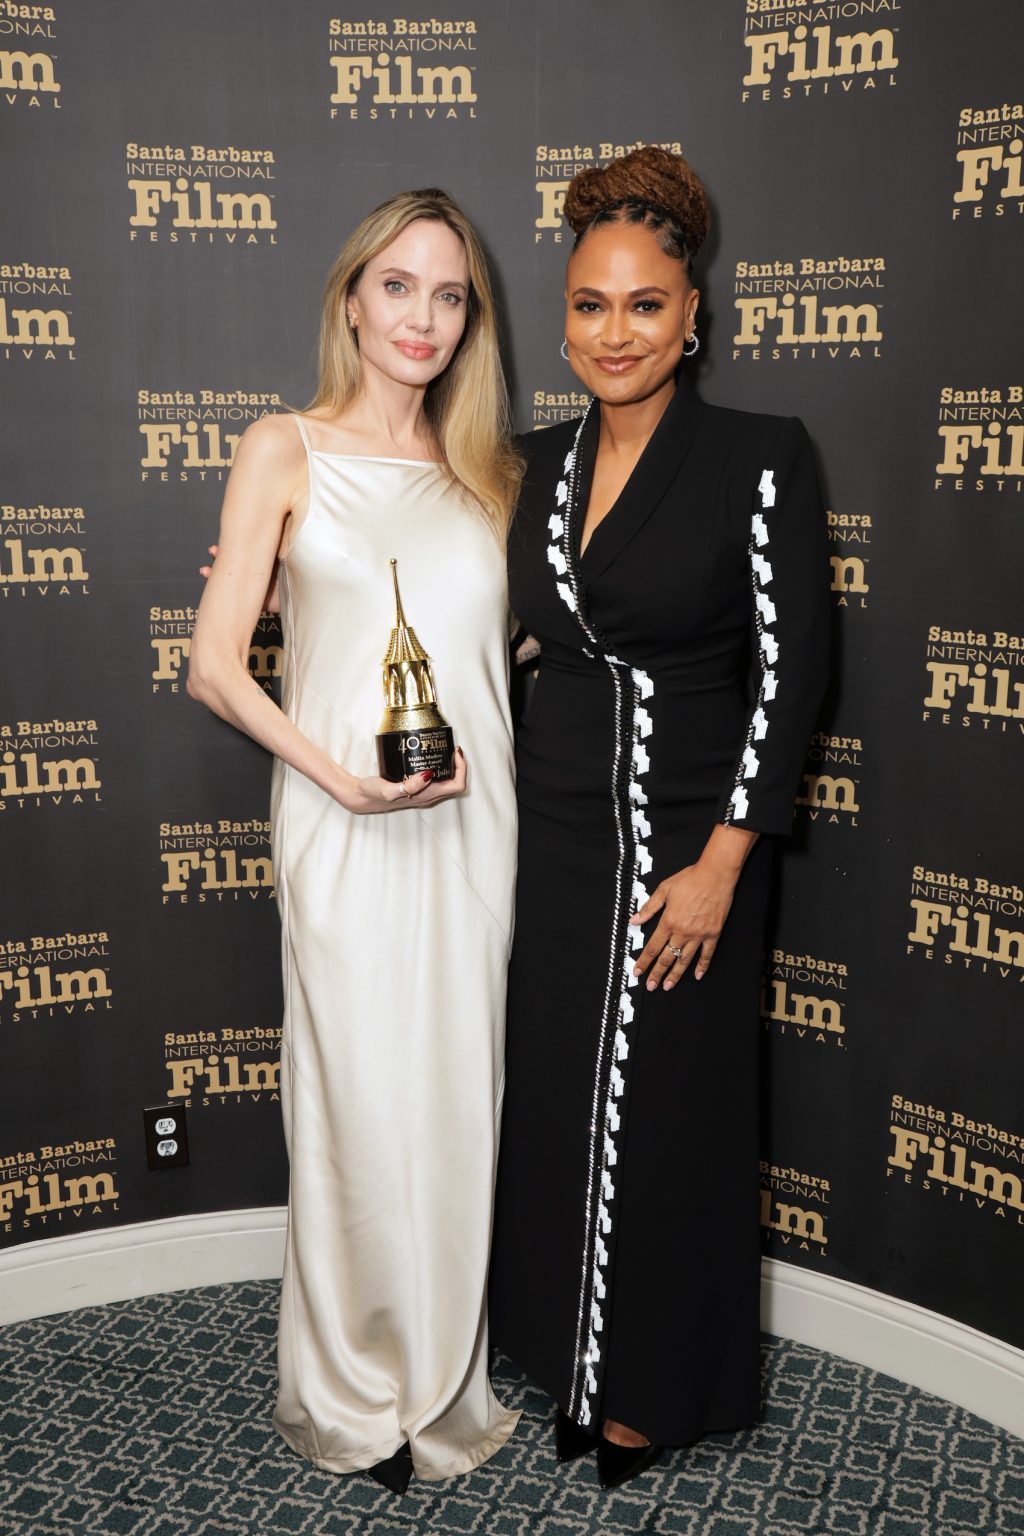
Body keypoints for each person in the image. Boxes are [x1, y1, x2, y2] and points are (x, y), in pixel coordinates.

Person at [488, 146, 831, 1489]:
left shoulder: (759, 458)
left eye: (643, 305)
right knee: (561, 1097)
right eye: (587, 305)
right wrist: (281, 584)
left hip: (691, 845)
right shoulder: (530, 466)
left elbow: (794, 667)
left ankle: (656, 1389)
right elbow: (438, 585)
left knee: (675, 1119)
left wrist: (723, 863)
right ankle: (557, 1350)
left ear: (696, 315)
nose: (612, 333)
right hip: (553, 835)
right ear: (562, 316)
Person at [187, 188, 522, 1492]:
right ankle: (346, 1394)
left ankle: (440, 1385)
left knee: (452, 1098)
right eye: (399, 286)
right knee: (351, 1103)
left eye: (449, 295)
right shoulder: (284, 447)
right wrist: (339, 780)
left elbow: (511, 654)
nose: (422, 318)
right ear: (351, 297)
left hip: (471, 836)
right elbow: (216, 668)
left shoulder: (489, 472)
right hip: (340, 821)